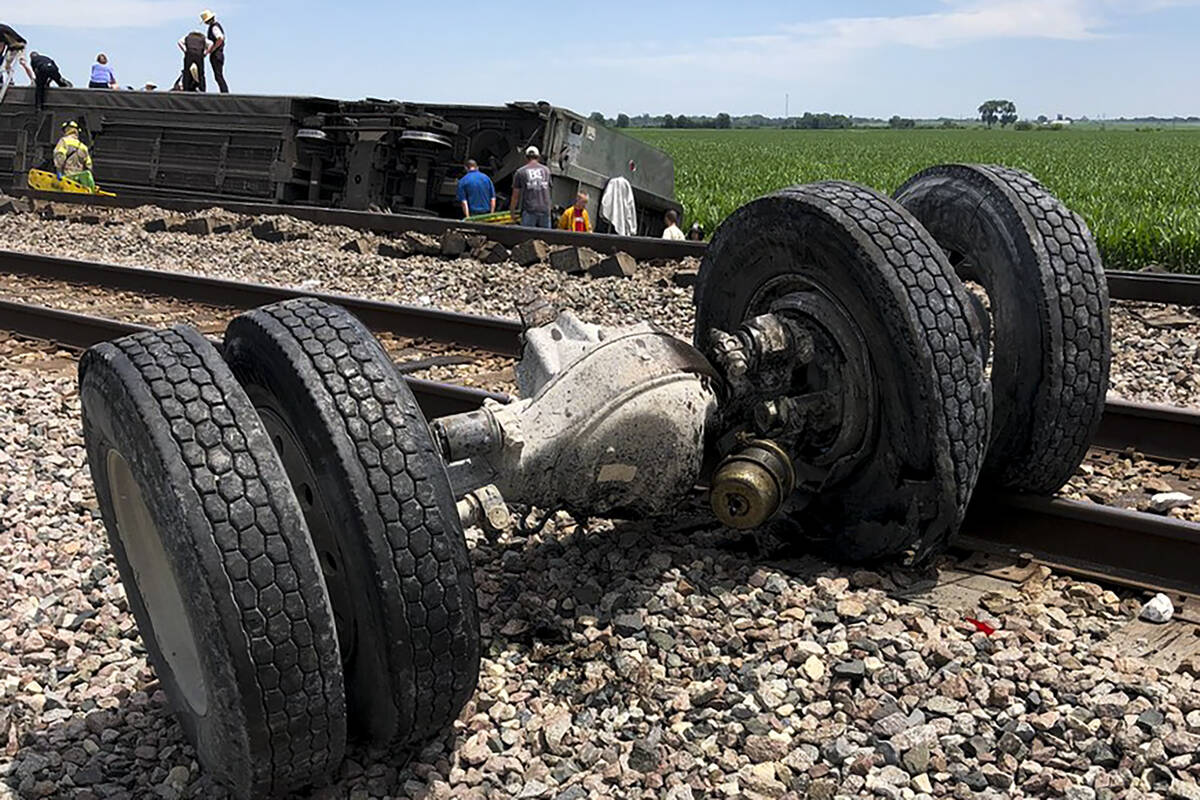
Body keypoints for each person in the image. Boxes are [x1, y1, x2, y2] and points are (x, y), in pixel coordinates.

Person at [510, 145, 552, 228]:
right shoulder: (546, 171)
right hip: (545, 209)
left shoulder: (520, 172)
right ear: (538, 157)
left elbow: (515, 196)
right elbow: (548, 189)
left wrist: (512, 211)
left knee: (526, 238)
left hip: (530, 210)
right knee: (546, 238)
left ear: (526, 157)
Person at [54, 121, 95, 190]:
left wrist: (58, 170)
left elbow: (60, 156)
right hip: (78, 179)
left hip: (67, 177)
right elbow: (89, 164)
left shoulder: (64, 141)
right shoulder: (83, 146)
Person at [0, 23, 31, 103]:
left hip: (19, 45)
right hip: (12, 47)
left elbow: (1, 45)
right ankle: (11, 81)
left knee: (22, 62)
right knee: (7, 65)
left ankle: (32, 79)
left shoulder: (1, 30)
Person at [201, 10, 228, 93]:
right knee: (218, 75)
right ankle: (224, 92)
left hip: (216, 54)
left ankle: (224, 93)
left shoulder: (214, 27)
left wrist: (212, 49)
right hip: (218, 53)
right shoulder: (215, 26)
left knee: (218, 75)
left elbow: (220, 38)